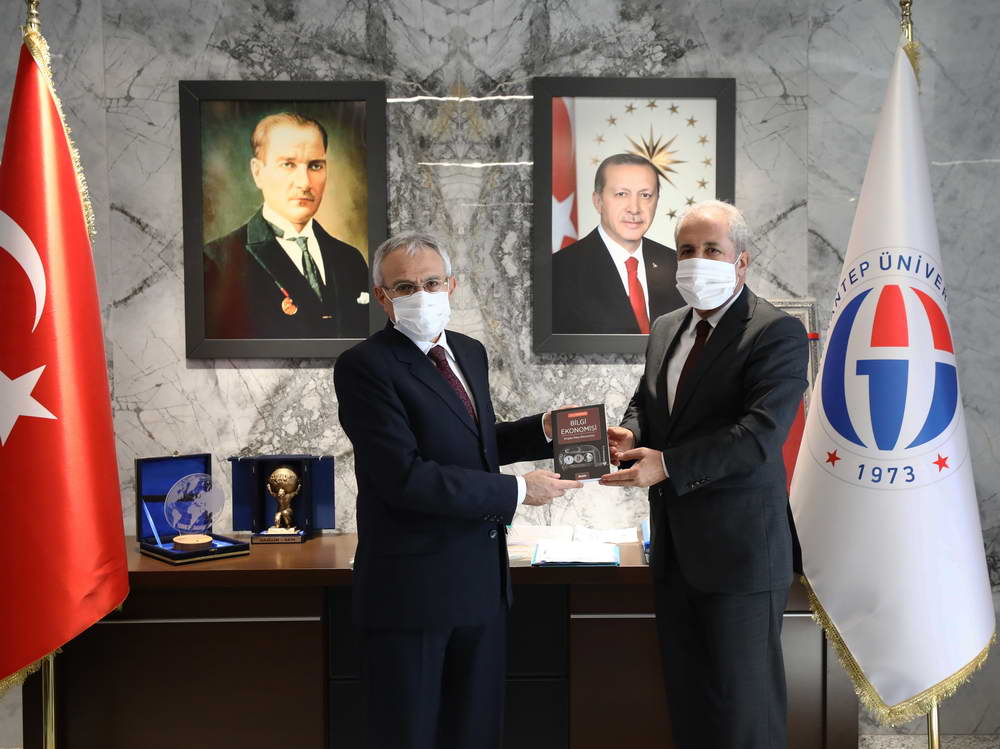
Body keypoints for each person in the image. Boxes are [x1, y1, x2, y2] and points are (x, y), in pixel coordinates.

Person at [334, 231, 581, 749]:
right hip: (410, 596)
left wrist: (545, 430)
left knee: (476, 734)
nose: (421, 295)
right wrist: (516, 492)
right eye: (405, 287)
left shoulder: (469, 352)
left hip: (481, 588)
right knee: (408, 737)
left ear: (452, 285)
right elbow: (404, 477)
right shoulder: (364, 366)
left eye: (431, 282)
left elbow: (474, 443)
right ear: (382, 297)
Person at [600, 200, 808, 748]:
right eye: (687, 250)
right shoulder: (667, 326)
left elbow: (759, 434)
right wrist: (631, 435)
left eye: (712, 250)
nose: (697, 261)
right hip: (674, 553)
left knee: (744, 717)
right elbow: (647, 402)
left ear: (741, 261)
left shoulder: (775, 332)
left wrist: (667, 464)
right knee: (691, 709)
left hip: (741, 556)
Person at [203, 112, 369, 339]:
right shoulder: (217, 262)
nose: (304, 183)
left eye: (315, 166)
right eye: (288, 164)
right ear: (258, 172)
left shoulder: (350, 260)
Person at [552, 153, 685, 334]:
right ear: (598, 201)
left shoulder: (678, 265)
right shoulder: (558, 271)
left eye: (645, 195)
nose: (634, 208)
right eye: (621, 194)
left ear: (657, 201)